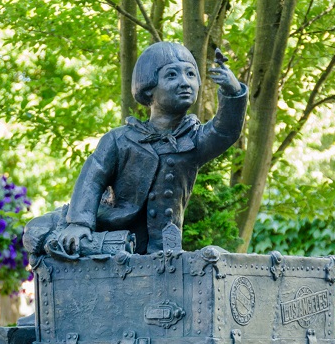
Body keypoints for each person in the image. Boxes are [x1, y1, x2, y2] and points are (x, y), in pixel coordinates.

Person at [59, 41, 248, 255]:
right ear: (148, 89)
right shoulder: (119, 140)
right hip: (114, 242)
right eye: (171, 75)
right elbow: (92, 178)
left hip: (164, 251)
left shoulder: (193, 140)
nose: (184, 82)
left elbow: (225, 131)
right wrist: (79, 223)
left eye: (190, 74)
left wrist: (233, 93)